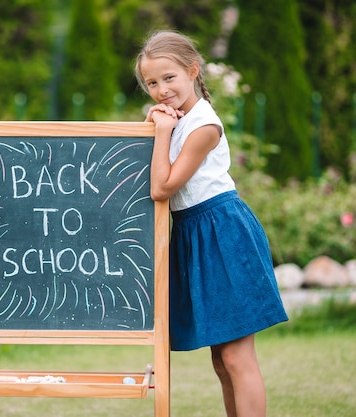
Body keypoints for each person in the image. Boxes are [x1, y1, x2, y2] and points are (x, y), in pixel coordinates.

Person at [134, 30, 289, 417]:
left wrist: (163, 130)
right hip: (193, 233)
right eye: (152, 83)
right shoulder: (179, 117)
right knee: (221, 361)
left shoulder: (203, 125)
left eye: (169, 78)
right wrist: (156, 124)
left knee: (237, 358)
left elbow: (162, 187)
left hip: (222, 233)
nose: (161, 89)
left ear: (192, 70)